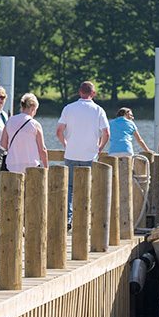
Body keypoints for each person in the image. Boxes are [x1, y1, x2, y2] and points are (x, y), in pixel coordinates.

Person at [56, 81, 110, 222]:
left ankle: (68, 218)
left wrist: (65, 144)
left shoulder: (68, 108)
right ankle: (86, 218)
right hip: (90, 155)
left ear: (79, 92)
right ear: (93, 93)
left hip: (71, 153)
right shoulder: (98, 110)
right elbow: (107, 133)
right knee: (89, 186)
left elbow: (59, 131)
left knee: (69, 188)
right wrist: (99, 148)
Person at [0, 93, 48, 173]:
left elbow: (3, 144)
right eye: (35, 110)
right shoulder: (35, 124)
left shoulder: (10, 121)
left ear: (22, 107)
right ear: (33, 108)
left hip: (11, 166)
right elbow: (42, 150)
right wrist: (46, 168)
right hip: (31, 166)